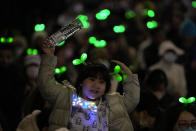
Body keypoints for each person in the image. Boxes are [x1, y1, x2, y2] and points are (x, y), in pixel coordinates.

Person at [37, 38, 140, 131]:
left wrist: (129, 76)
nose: (96, 85)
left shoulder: (111, 104)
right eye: (92, 79)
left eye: (101, 82)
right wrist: (49, 57)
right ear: (81, 82)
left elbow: (132, 99)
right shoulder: (65, 96)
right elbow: (46, 85)